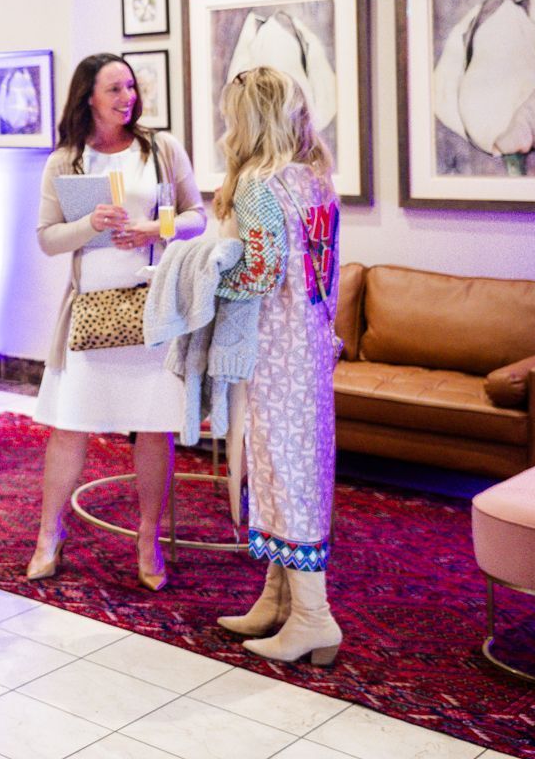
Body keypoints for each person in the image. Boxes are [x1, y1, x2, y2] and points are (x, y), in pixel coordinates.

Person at [29, 53, 205, 590]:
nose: (127, 97)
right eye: (114, 89)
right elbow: (47, 238)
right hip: (91, 314)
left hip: (151, 311)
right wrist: (88, 224)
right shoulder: (66, 160)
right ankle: (47, 535)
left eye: (130, 86)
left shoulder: (161, 149)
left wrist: (155, 228)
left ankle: (148, 538)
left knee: (153, 428)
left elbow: (198, 216)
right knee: (70, 426)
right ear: (89, 97)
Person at [210, 66, 344, 665]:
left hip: (275, 350)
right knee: (294, 469)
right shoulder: (314, 179)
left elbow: (261, 273)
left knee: (280, 472)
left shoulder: (257, 187)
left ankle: (314, 618)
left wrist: (212, 279)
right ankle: (278, 600)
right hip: (312, 344)